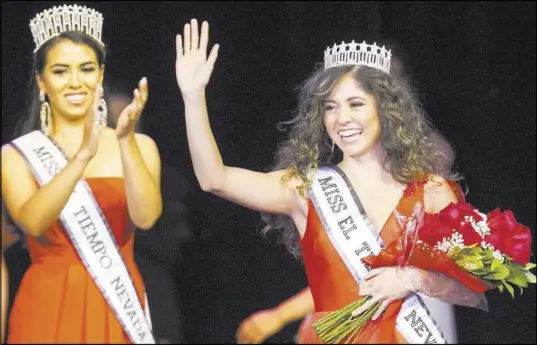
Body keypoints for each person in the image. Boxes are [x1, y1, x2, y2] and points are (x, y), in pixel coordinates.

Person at [175, 19, 484, 344]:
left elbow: (473, 291)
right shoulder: (305, 189)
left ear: (387, 110)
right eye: (331, 107)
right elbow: (214, 179)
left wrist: (413, 279)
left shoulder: (432, 192)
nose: (342, 119)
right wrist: (193, 98)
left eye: (356, 105)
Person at [234, 43, 464, 344]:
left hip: (416, 317)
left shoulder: (429, 165)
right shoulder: (332, 181)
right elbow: (348, 269)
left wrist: (282, 314)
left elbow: (445, 269)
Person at [1, 4, 162, 343]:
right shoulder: (17, 155)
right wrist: (81, 157)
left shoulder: (139, 145)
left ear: (100, 75)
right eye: (61, 71)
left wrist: (124, 141)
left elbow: (146, 218)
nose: (76, 82)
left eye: (86, 69)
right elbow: (32, 221)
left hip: (118, 303)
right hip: (46, 306)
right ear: (42, 81)